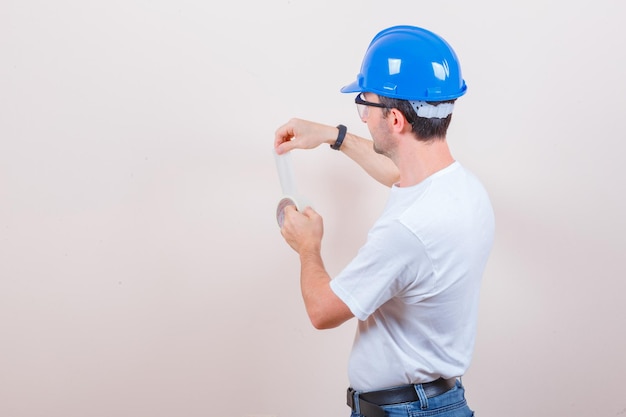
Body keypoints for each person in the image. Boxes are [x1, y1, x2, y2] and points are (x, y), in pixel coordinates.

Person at [274, 25, 495, 417]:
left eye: (365, 104)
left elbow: (323, 311)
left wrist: (308, 246)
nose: (361, 117)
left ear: (395, 120)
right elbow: (396, 173)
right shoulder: (463, 190)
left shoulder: (407, 231)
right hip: (440, 402)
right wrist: (331, 135)